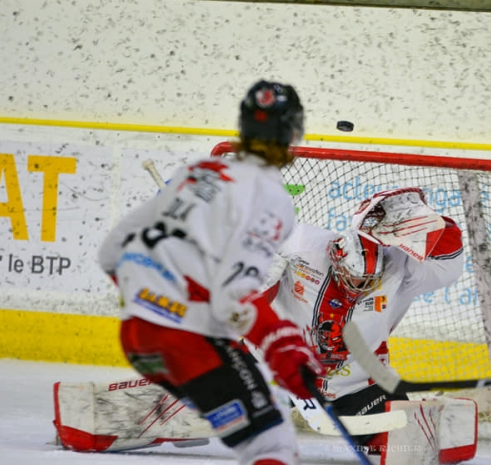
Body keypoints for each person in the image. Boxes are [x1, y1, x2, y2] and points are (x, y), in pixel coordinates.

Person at [96, 80, 325, 465]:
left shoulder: (196, 171)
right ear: (293, 133)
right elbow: (233, 296)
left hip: (137, 339)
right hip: (188, 342)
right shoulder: (270, 198)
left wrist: (151, 298)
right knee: (270, 446)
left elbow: (111, 252)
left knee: (262, 428)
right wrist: (282, 346)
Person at [262, 186, 468, 454]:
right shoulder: (301, 246)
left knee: (407, 449)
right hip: (278, 368)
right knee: (219, 396)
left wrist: (427, 227)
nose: (359, 286)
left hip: (355, 384)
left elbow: (447, 265)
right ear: (336, 258)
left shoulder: (397, 268)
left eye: (367, 281)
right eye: (354, 278)